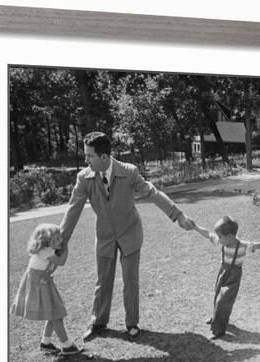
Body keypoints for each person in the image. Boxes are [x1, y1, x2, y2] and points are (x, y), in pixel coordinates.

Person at [58, 132, 194, 341]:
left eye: (89, 156)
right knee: (103, 281)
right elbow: (73, 209)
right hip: (104, 236)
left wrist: (178, 215)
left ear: (104, 157)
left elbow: (153, 193)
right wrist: (61, 240)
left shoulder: (129, 172)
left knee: (130, 280)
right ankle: (98, 322)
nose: (86, 160)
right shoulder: (84, 178)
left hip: (130, 233)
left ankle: (132, 323)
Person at [192, 216, 260, 339]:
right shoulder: (222, 242)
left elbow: (259, 245)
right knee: (217, 295)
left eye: (220, 237)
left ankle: (218, 330)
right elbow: (208, 234)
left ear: (229, 236)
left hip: (234, 277)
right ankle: (216, 317)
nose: (218, 239)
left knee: (223, 301)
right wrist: (195, 227)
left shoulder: (243, 245)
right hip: (222, 272)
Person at [11, 223, 82, 355]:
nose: (60, 241)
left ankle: (46, 343)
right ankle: (67, 345)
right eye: (56, 239)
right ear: (45, 242)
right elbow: (61, 262)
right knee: (56, 314)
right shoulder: (46, 251)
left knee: (53, 312)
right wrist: (66, 247)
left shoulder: (47, 249)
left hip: (43, 281)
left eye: (60, 238)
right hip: (39, 283)